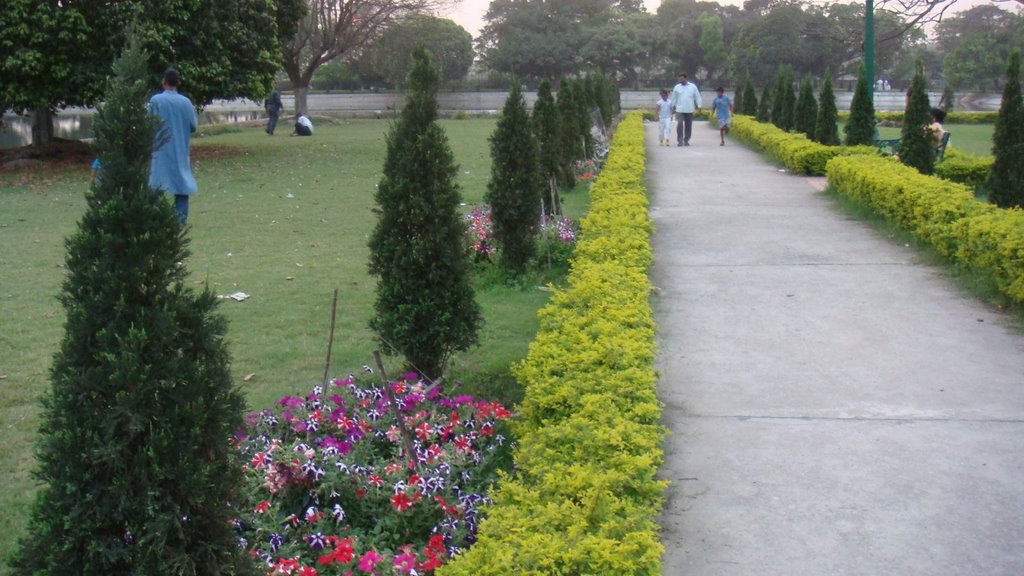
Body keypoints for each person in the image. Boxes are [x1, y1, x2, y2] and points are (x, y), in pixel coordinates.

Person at [148, 68, 198, 223]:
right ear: (178, 83)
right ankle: (180, 219)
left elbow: (148, 123)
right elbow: (193, 126)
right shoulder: (186, 102)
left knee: (156, 183)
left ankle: (154, 217)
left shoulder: (156, 101)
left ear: (163, 82)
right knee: (181, 182)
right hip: (180, 148)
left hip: (160, 148)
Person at [669, 72, 702, 146]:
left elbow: (697, 96)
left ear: (686, 79)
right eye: (680, 79)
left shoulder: (692, 87)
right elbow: (674, 97)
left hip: (689, 109)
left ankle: (686, 140)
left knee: (688, 125)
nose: (681, 81)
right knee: (680, 123)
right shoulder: (677, 87)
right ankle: (680, 140)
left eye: (682, 79)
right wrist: (672, 107)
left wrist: (699, 106)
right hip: (680, 109)